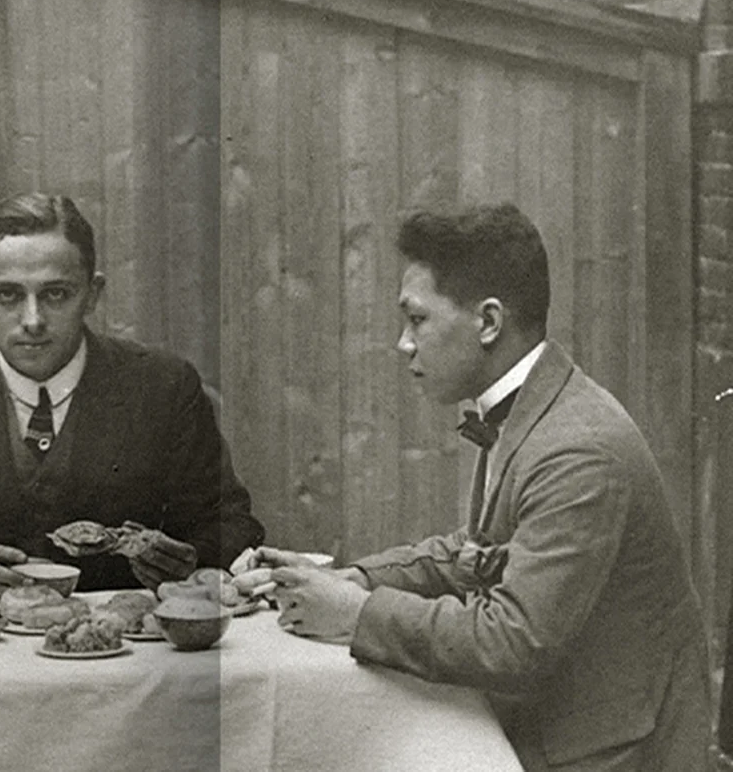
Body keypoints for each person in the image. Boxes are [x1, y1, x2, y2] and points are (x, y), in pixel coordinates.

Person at [255, 204, 709, 771]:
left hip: (611, 754)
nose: (403, 343)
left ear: (489, 322)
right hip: (559, 729)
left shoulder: (578, 449)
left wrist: (359, 613)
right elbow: (476, 555)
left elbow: (513, 642)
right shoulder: (536, 407)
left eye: (417, 320)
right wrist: (355, 578)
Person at [0, 193, 263, 593]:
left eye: (56, 294)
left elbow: (231, 526)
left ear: (92, 294)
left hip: (127, 651)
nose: (32, 320)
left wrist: (187, 561)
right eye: (7, 295)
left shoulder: (163, 387)